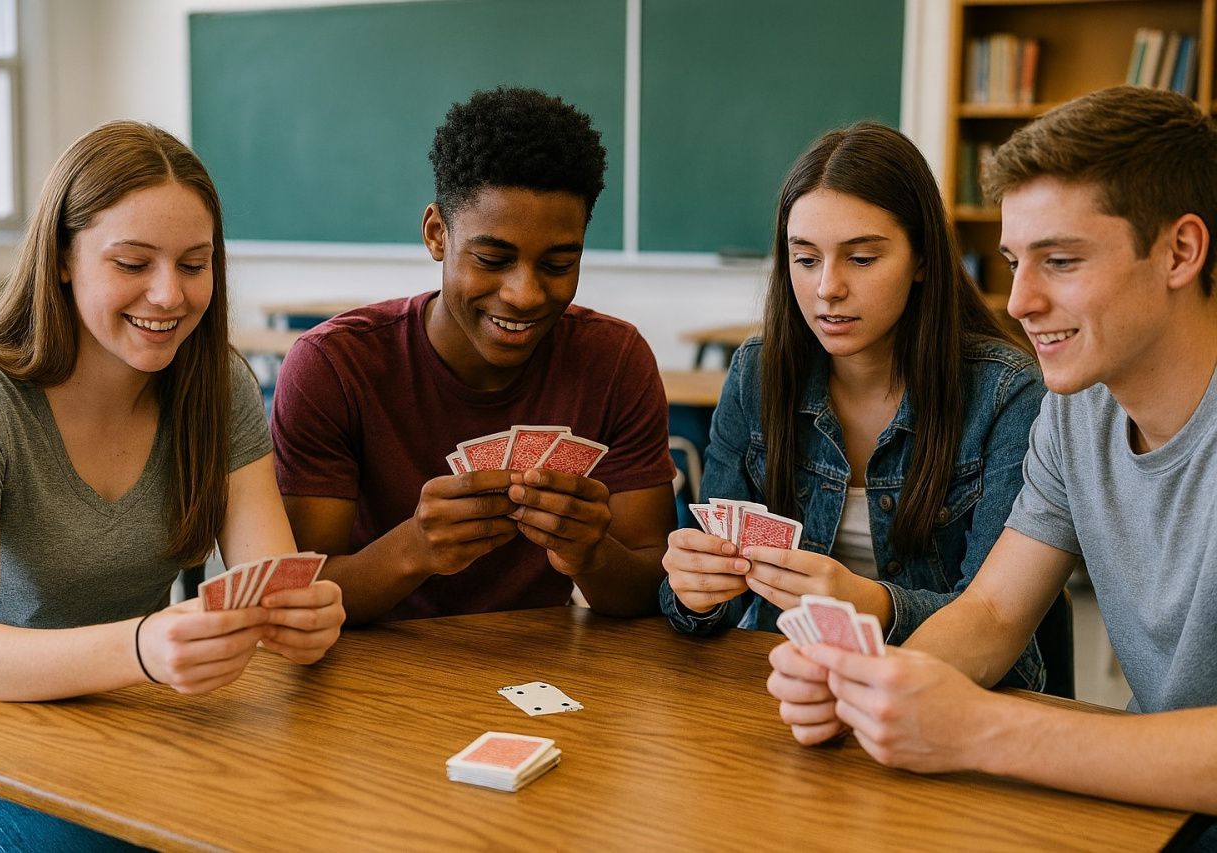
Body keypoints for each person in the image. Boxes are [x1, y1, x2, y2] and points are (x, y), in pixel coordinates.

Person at [767, 86, 1217, 842]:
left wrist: (984, 729)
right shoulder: (1078, 409)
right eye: (1013, 261)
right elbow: (995, 611)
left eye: (1061, 261)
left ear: (1179, 251)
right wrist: (873, 683)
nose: (1017, 301)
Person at [0, 121, 346, 852]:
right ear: (63, 258)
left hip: (126, 713)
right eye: (132, 262)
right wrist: (140, 648)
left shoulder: (217, 384)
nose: (169, 294)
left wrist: (302, 619)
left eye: (195, 263)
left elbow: (267, 580)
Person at [661, 122, 1046, 690]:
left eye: (861, 259)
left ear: (922, 259)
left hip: (949, 697)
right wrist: (692, 590)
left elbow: (994, 624)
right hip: (786, 684)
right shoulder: (758, 371)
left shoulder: (1006, 392)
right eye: (806, 259)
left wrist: (871, 603)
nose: (827, 288)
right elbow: (699, 604)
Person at [272, 86, 677, 624]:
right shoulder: (334, 367)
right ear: (437, 233)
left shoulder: (615, 362)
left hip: (546, 670)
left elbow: (654, 591)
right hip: (367, 673)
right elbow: (298, 595)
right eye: (491, 258)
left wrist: (591, 553)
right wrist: (414, 549)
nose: (525, 294)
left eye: (559, 264)